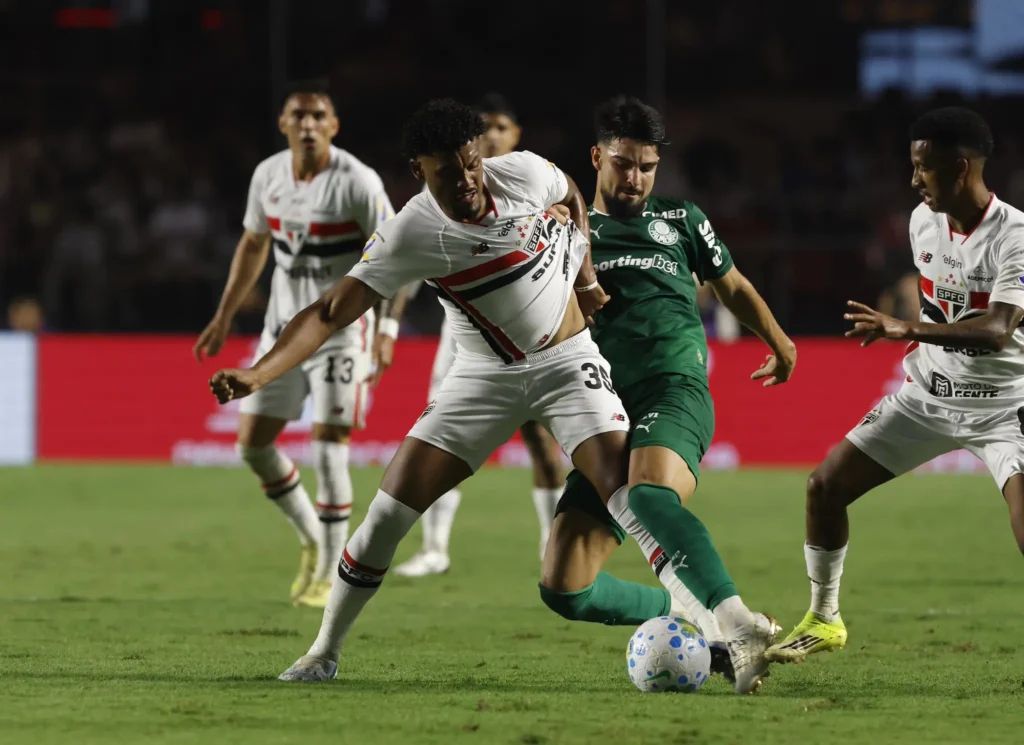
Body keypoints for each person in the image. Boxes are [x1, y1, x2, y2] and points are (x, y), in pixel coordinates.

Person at [208, 99, 776, 694]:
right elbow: (330, 310)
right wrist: (260, 373)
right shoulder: (409, 232)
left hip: (567, 363)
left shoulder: (523, 171)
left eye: (471, 163)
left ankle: (732, 627)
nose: (467, 180)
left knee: (630, 501)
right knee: (385, 518)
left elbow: (572, 192)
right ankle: (323, 652)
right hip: (482, 380)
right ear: (419, 171)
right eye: (448, 172)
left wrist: (584, 277)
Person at [537, 96, 795, 691]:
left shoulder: (681, 219)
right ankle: (687, 610)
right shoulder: (567, 231)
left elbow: (732, 286)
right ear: (596, 158)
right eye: (623, 164)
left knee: (649, 494)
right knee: (565, 588)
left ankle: (737, 623)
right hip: (602, 410)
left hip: (673, 387)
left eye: (647, 167)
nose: (636, 178)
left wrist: (781, 343)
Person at [767, 107, 1024, 663]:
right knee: (824, 487)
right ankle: (824, 618)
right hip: (928, 397)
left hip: (1007, 408)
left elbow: (999, 330)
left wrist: (905, 328)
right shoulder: (921, 221)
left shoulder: (1016, 235)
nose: (913, 180)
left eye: (923, 167)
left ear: (961, 168)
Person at [193, 83, 402, 608]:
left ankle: (330, 574)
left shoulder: (358, 182)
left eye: (318, 116)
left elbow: (399, 252)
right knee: (252, 445)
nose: (308, 124)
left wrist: (386, 329)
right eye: (298, 115)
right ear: (283, 124)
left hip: (342, 333)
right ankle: (312, 538)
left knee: (329, 448)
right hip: (283, 332)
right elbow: (253, 245)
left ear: (334, 126)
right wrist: (223, 317)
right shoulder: (268, 176)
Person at [394, 93, 567, 578]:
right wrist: (388, 325)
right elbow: (406, 262)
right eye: (484, 126)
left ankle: (550, 546)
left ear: (516, 137)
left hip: (526, 340)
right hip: (462, 340)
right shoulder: (438, 195)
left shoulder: (529, 183)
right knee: (442, 439)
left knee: (540, 444)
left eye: (501, 127)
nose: (491, 135)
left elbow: (570, 231)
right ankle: (434, 548)